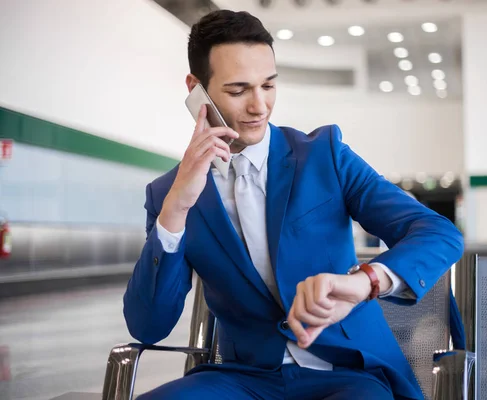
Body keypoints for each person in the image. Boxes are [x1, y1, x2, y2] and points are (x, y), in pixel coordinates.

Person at [124, 10, 464, 400]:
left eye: (268, 85)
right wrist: (176, 210)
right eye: (238, 90)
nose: (260, 106)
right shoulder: (167, 194)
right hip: (245, 379)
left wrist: (364, 282)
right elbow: (148, 326)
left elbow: (439, 232)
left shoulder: (325, 156)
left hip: (351, 374)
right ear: (196, 89)